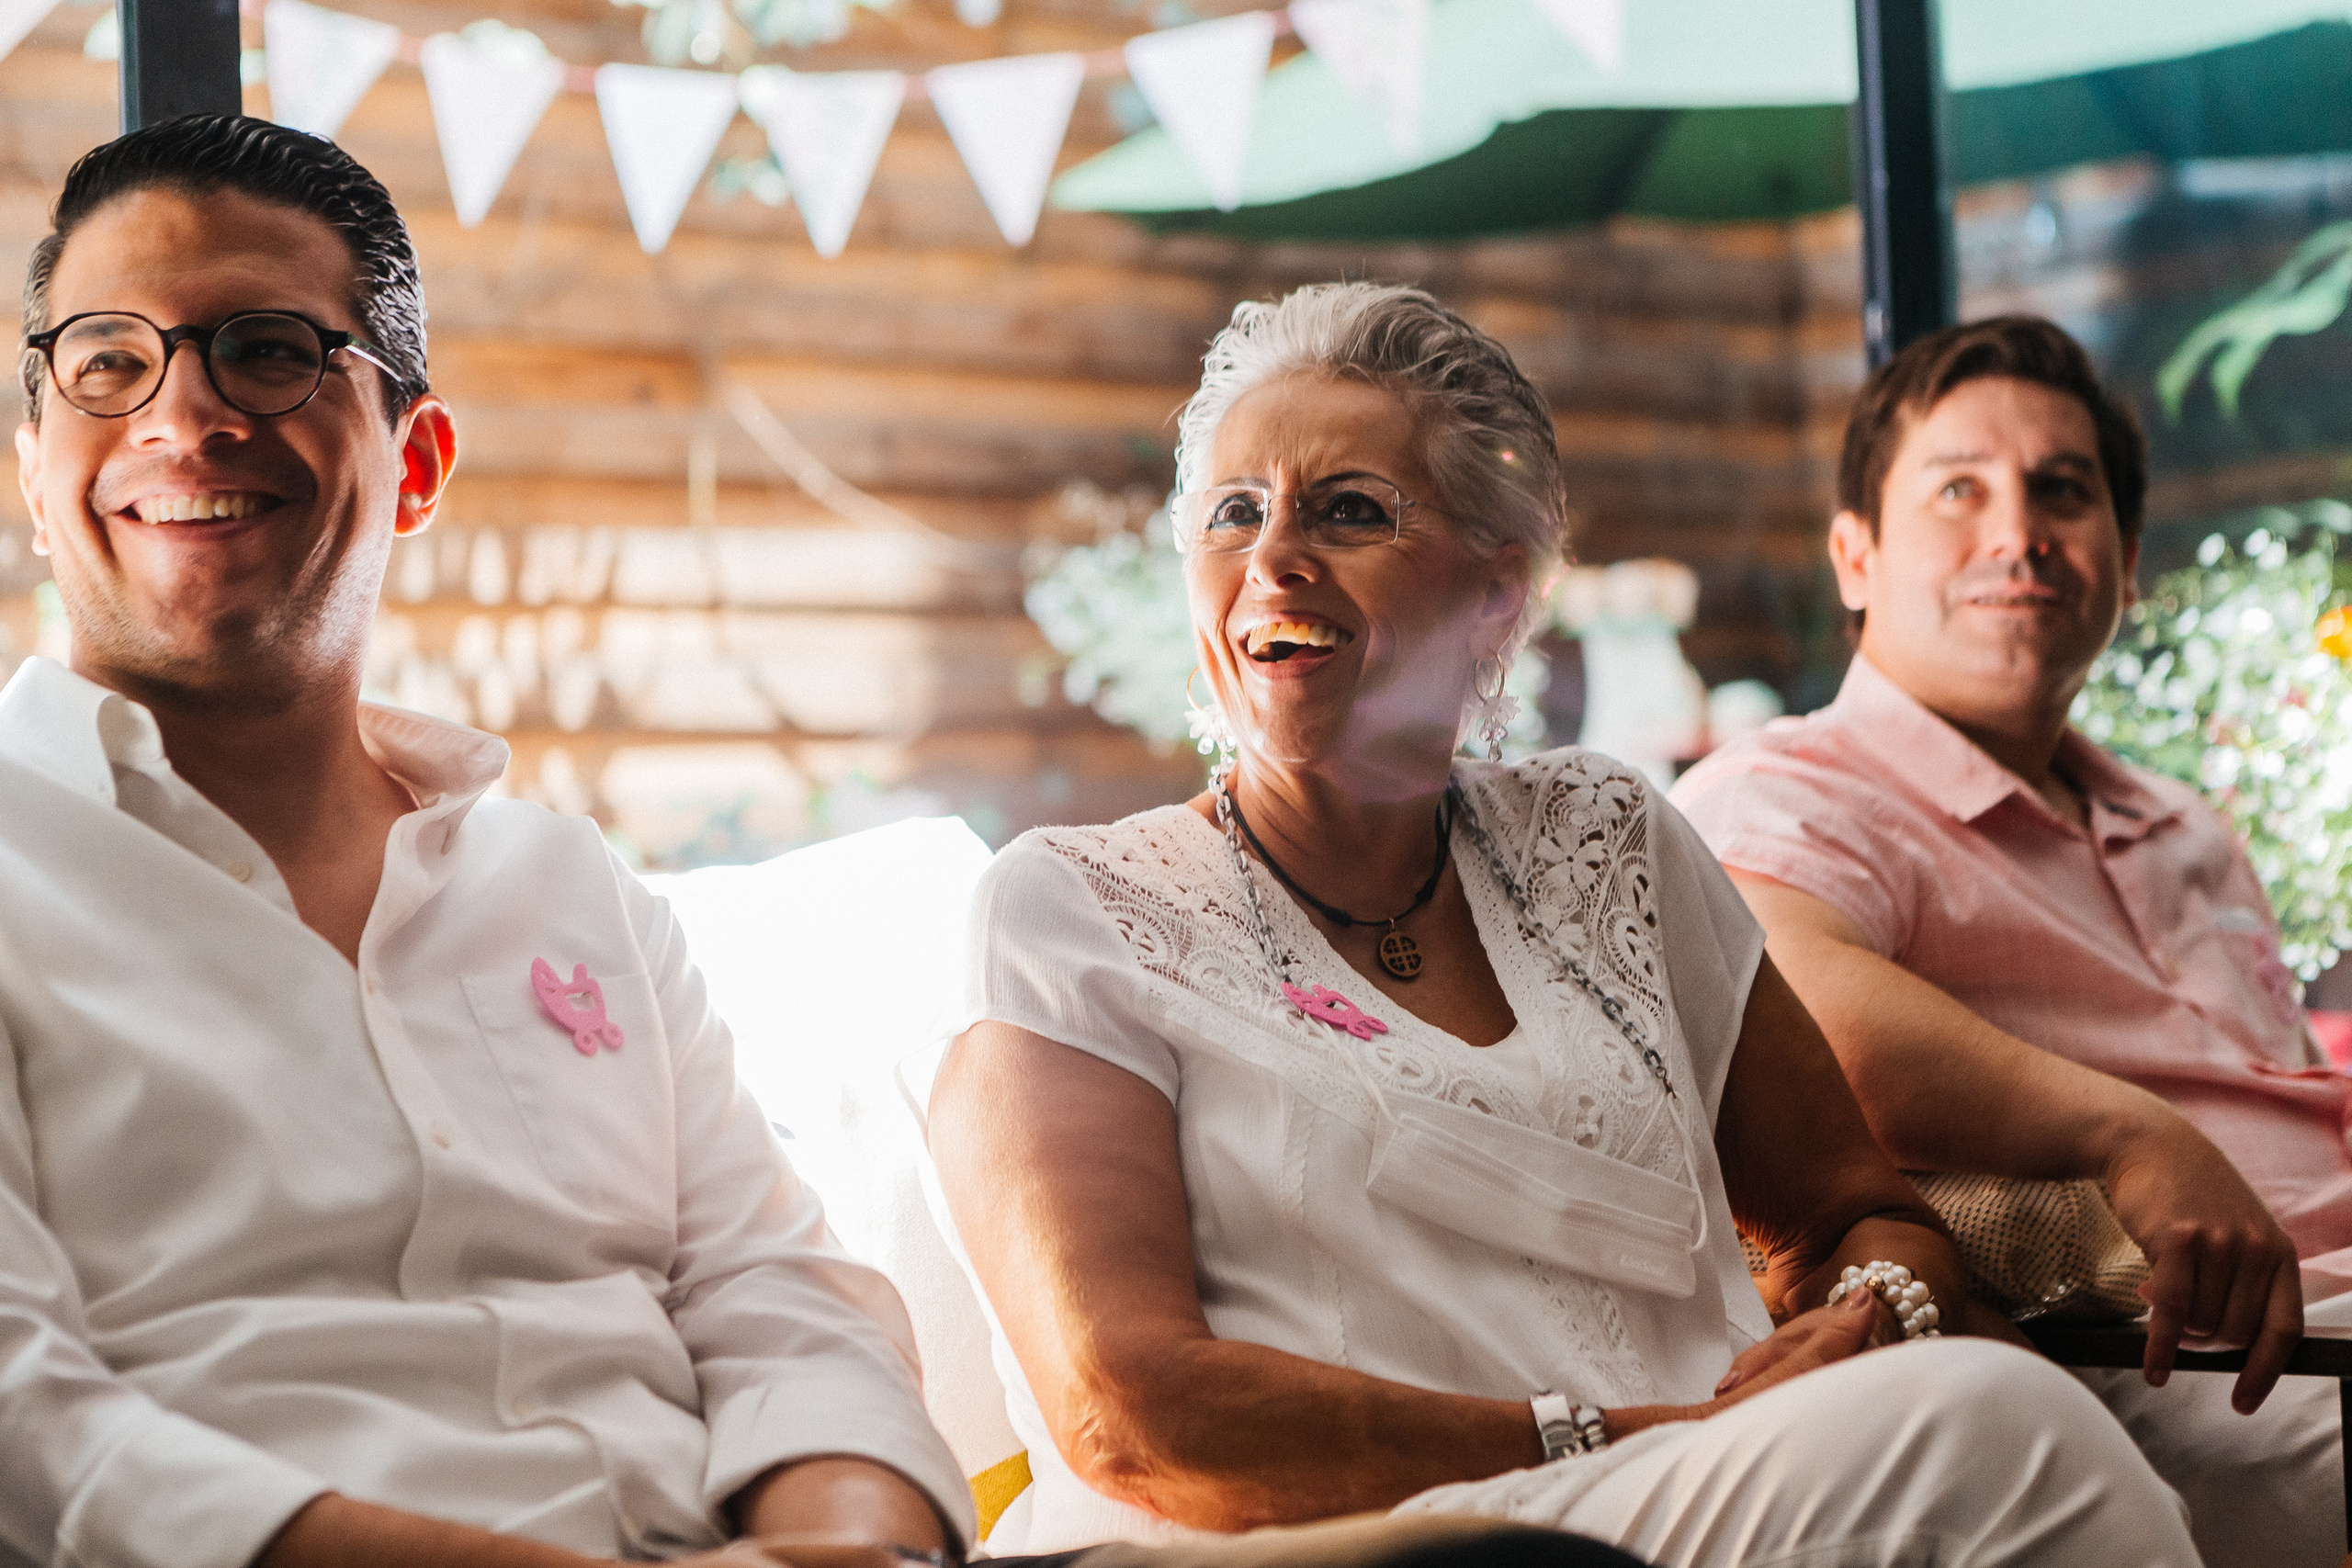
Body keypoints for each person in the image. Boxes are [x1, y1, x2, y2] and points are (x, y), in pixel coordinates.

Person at [0, 117, 1647, 1568]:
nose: (184, 414)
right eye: (106, 361)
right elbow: (32, 1429)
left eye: (269, 350)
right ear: (32, 456)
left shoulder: (563, 893)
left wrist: (841, 1539)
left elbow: (785, 1296)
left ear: (417, 461)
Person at [926, 282, 2199, 1567]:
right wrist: (1610, 1440)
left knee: (1998, 1431)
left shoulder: (1607, 839)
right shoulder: (1075, 909)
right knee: (1998, 1432)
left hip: (1708, 1499)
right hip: (1352, 1548)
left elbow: (1856, 1216)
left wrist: (1867, 1312)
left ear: (1495, 595)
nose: (1272, 559)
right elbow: (1127, 1412)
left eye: (1349, 509)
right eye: (1234, 514)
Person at [1669, 314, 2342, 1567]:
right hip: (2203, 1361)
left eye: (2063, 493)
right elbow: (1789, 1014)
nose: (2018, 535)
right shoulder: (1791, 789)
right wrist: (2130, 1131)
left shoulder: (2181, 822)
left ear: (2127, 561)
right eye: (1959, 491)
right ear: (1854, 555)